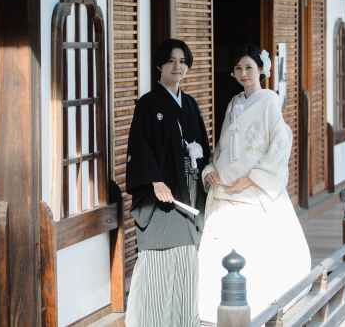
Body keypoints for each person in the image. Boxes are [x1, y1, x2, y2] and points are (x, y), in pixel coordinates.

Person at [198, 44, 311, 325]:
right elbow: (224, 145)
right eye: (238, 68)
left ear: (261, 70)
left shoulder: (270, 100)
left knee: (255, 253)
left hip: (252, 187)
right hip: (226, 187)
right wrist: (211, 169)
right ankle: (218, 305)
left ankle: (258, 306)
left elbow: (281, 143)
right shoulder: (233, 103)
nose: (244, 73)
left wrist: (253, 177)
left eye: (249, 67)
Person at [124, 38, 211, 327]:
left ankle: (186, 322)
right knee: (160, 267)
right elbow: (140, 146)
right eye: (172, 61)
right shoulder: (148, 104)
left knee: (187, 264)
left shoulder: (190, 104)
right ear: (159, 65)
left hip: (188, 193)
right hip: (161, 199)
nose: (178, 66)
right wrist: (155, 181)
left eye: (183, 61)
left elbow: (203, 148)